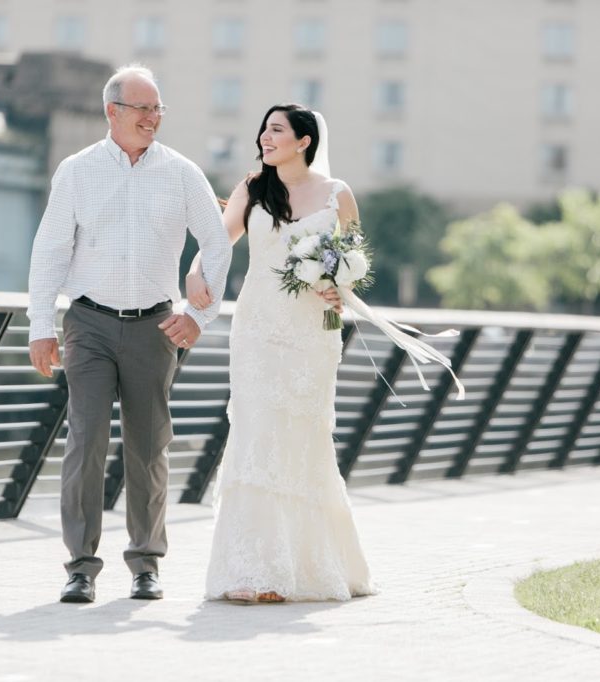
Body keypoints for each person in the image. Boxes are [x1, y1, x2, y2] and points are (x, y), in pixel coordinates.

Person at [27, 64, 231, 604]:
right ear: (111, 112)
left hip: (155, 327)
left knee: (147, 448)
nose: (152, 117)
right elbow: (50, 249)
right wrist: (41, 327)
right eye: (142, 108)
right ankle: (80, 567)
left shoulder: (182, 172)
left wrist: (198, 315)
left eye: (158, 108)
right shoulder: (76, 171)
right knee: (86, 440)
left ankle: (146, 564)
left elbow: (217, 240)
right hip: (88, 324)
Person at [186, 104, 374, 602]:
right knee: (256, 434)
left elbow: (352, 260)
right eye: (264, 130)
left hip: (313, 331)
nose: (265, 138)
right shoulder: (253, 189)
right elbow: (218, 241)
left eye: (277, 130)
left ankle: (306, 566)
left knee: (302, 437)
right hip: (257, 329)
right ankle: (252, 571)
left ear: (304, 141)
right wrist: (194, 271)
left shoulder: (338, 195)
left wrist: (339, 288)